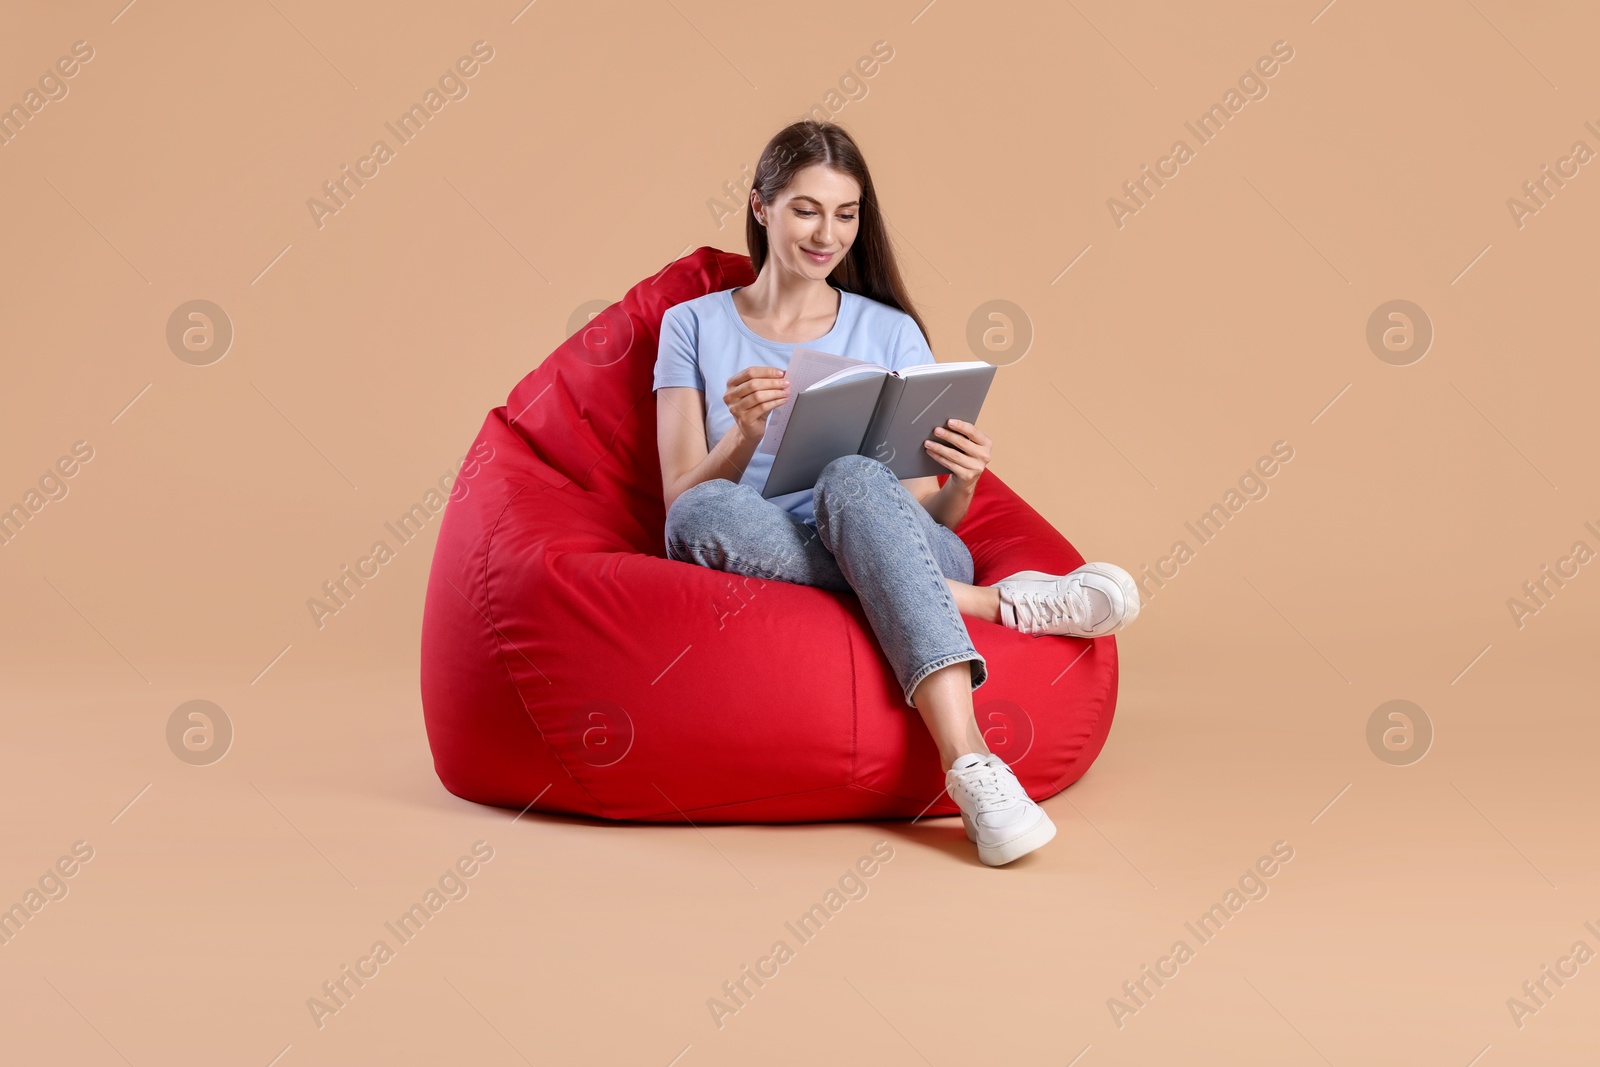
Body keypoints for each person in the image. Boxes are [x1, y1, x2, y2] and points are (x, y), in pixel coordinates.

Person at [653, 119, 1140, 866]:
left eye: (846, 213)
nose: (828, 233)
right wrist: (743, 434)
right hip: (759, 541)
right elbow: (679, 497)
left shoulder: (891, 331)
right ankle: (995, 604)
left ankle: (971, 759)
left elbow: (917, 508)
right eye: (807, 209)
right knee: (699, 514)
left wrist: (964, 485)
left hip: (893, 531)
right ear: (760, 206)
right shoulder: (691, 324)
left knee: (852, 476)